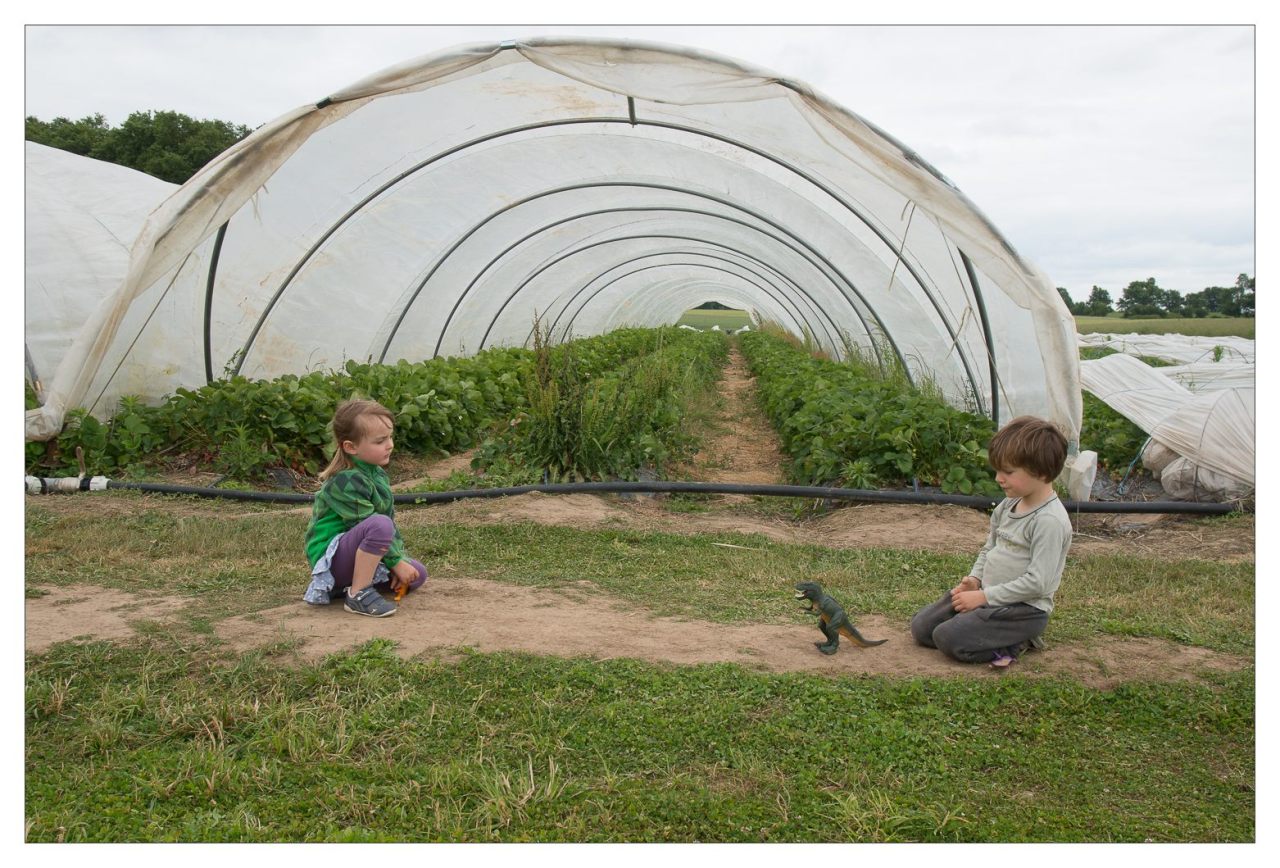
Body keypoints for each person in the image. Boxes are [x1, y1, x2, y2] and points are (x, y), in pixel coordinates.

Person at [910, 416, 1072, 669]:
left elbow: (1038, 584)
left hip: (1022, 611)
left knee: (948, 638)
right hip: (988, 597)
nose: (998, 478)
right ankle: (978, 620)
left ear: (1041, 472)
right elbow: (990, 548)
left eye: (1008, 472)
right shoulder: (1008, 506)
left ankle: (1017, 642)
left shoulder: (1049, 521)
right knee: (922, 627)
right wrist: (975, 580)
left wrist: (984, 596)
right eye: (997, 470)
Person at [303, 399, 428, 617]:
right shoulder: (345, 481)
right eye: (380, 441)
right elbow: (369, 524)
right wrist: (395, 562)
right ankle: (357, 594)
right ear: (351, 447)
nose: (389, 445)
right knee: (380, 524)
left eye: (390, 437)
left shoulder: (376, 473)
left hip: (357, 552)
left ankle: (351, 585)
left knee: (417, 574)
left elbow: (388, 526)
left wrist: (399, 559)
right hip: (332, 560)